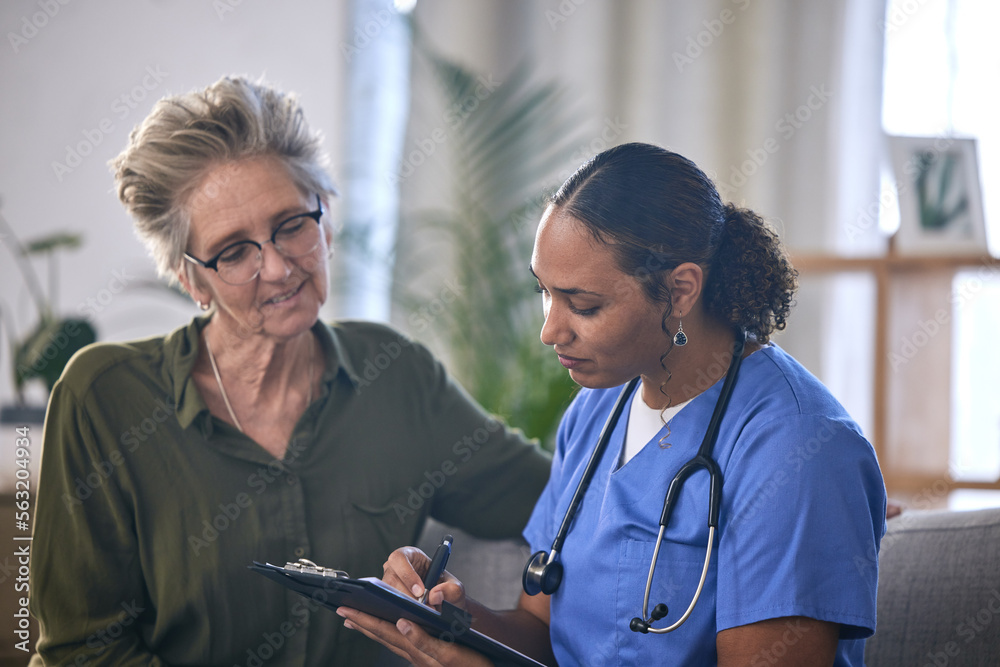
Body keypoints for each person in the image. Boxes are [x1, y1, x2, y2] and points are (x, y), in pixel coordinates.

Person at [27, 76, 551, 666]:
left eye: (291, 225)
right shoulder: (104, 396)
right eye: (234, 251)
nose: (277, 268)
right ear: (192, 280)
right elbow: (82, 652)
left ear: (325, 223)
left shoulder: (395, 375)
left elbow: (560, 500)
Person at [338, 142, 887, 666]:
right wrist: (454, 618)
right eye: (545, 294)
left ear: (680, 290)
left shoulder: (798, 449)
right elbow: (542, 635)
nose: (550, 331)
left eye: (583, 304)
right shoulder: (593, 416)